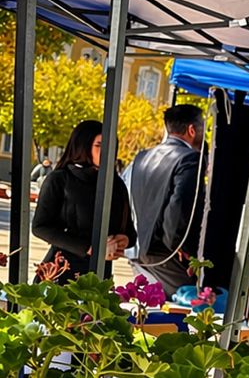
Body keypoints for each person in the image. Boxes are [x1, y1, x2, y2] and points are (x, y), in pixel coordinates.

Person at [30, 120, 134, 283]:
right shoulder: (60, 179)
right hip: (61, 273)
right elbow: (40, 227)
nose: (108, 151)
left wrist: (124, 240)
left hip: (100, 277)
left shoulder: (116, 183)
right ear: (83, 147)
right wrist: (88, 248)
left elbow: (129, 229)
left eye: (112, 145)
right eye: (99, 145)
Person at [128, 104, 206, 291]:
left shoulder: (142, 156)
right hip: (169, 254)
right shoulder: (189, 158)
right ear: (191, 130)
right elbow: (178, 205)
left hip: (141, 248)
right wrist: (179, 246)